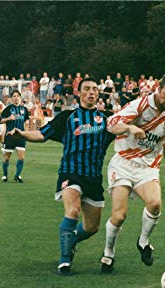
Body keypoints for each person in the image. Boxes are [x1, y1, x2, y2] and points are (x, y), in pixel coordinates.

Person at [7, 78, 115, 275]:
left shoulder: (108, 119)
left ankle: (71, 240)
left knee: (92, 227)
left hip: (93, 178)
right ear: (79, 93)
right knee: (72, 211)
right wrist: (22, 134)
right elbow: (42, 134)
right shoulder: (67, 117)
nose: (91, 92)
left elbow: (126, 128)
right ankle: (65, 260)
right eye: (87, 89)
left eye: (94, 90)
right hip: (70, 173)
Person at [100, 74, 165, 274]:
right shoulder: (139, 105)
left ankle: (143, 241)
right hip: (123, 164)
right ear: (158, 88)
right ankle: (108, 253)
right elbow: (111, 124)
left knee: (154, 204)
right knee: (119, 216)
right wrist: (129, 127)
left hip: (147, 168)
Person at [0, 90, 31, 183]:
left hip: (20, 136)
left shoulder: (24, 109)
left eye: (17, 96)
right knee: (6, 158)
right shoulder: (8, 109)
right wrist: (9, 118)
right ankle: (5, 176)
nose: (16, 98)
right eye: (14, 96)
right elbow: (0, 121)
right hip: (10, 137)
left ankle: (17, 176)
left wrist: (26, 132)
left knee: (22, 157)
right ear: (11, 98)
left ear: (20, 98)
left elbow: (26, 121)